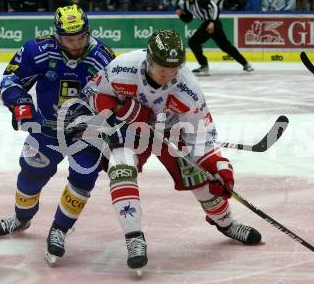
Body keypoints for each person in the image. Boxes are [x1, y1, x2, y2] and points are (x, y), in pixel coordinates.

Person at [84, 29, 261, 274]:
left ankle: (226, 223)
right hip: (130, 131)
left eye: (174, 67)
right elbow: (91, 93)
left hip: (172, 133)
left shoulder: (188, 90)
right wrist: (122, 110)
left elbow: (202, 137)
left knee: (201, 180)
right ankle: (134, 237)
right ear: (148, 58)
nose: (168, 74)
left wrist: (218, 165)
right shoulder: (123, 68)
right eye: (161, 67)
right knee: (120, 168)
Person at [0, 5, 115, 265]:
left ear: (88, 31)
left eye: (81, 37)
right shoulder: (37, 51)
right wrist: (21, 105)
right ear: (57, 35)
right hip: (46, 127)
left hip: (86, 132)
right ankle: (22, 218)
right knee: (31, 172)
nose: (76, 44)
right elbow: (10, 81)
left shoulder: (104, 58)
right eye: (69, 38)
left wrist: (106, 126)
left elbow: (118, 99)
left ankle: (60, 229)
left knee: (83, 178)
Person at [175, 0, 253, 76]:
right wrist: (181, 15)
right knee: (197, 42)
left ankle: (244, 64)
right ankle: (245, 64)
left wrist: (212, 22)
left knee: (225, 46)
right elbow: (188, 19)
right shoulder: (187, 4)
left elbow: (215, 7)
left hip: (213, 24)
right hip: (207, 24)